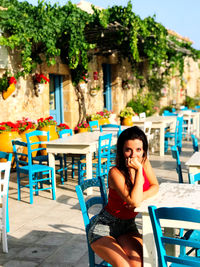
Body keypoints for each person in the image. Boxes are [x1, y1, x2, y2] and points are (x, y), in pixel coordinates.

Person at [88, 126, 159, 267]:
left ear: (144, 150)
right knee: (124, 266)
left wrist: (140, 193)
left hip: (128, 226)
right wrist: (138, 171)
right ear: (121, 151)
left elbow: (155, 186)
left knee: (141, 263)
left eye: (138, 150)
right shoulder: (115, 173)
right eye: (128, 150)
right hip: (104, 227)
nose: (134, 155)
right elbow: (134, 200)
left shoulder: (144, 162)